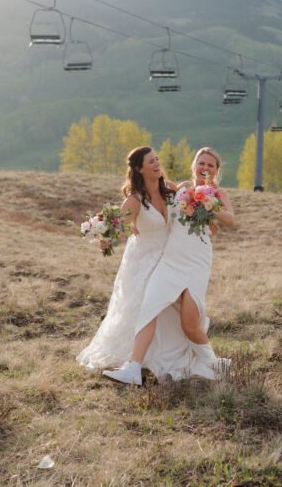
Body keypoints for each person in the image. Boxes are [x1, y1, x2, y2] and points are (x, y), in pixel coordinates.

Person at [103, 147, 234, 385]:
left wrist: (209, 202)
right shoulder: (179, 188)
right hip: (171, 258)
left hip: (197, 260)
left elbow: (230, 220)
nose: (205, 168)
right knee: (149, 306)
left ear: (216, 170)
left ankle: (214, 365)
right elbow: (152, 206)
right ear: (194, 165)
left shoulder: (218, 193)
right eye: (201, 163)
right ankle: (133, 368)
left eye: (211, 165)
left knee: (189, 323)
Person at [76, 146, 175, 372]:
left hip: (169, 256)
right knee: (143, 305)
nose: (157, 164)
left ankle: (166, 352)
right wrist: (105, 240)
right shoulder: (134, 200)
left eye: (157, 159)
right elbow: (114, 227)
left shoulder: (169, 190)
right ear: (139, 169)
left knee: (167, 305)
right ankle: (137, 358)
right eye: (151, 162)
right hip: (143, 259)